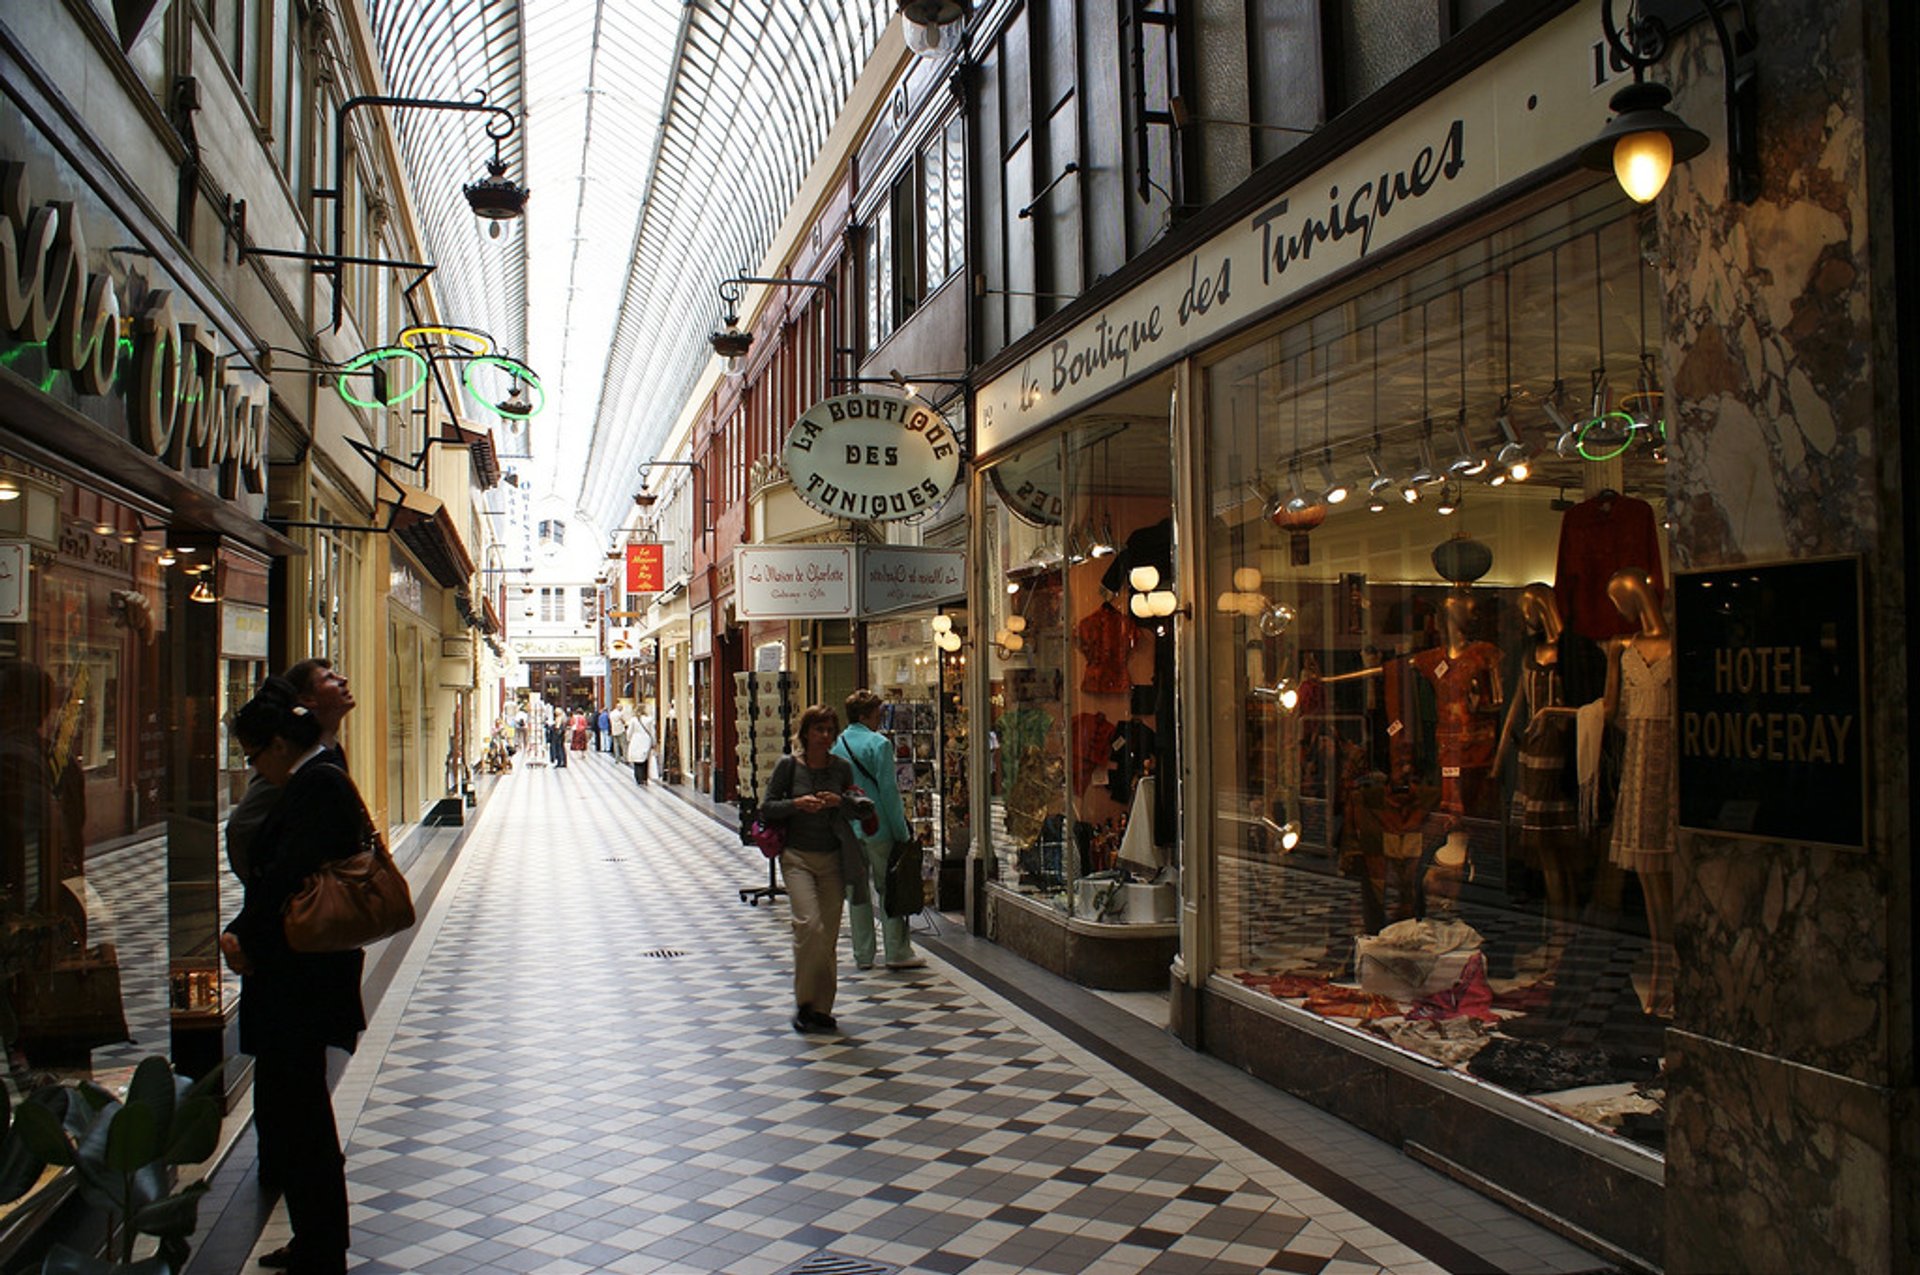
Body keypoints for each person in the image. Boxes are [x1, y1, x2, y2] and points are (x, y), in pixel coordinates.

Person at [219, 676, 368, 1275]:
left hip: (301, 984)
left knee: (303, 1118)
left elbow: (286, 876)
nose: (256, 767)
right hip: (297, 980)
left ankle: (322, 1245)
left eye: (255, 756)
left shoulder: (316, 784)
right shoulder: (314, 779)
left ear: (280, 744)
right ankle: (314, 1240)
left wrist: (243, 933)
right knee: (295, 1113)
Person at [756, 704, 873, 1034]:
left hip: (833, 859)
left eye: (829, 731)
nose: (824, 736)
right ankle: (804, 1002)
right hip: (797, 858)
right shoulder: (788, 766)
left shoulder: (841, 769)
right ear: (805, 732)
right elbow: (767, 808)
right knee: (810, 927)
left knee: (828, 937)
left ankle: (822, 1008)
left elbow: (857, 810)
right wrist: (796, 804)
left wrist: (840, 802)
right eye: (818, 730)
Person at [228, 658, 355, 882]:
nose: (343, 680)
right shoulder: (302, 769)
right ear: (307, 700)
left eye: (253, 758)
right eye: (329, 678)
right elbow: (242, 829)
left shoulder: (318, 766)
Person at [832, 690, 926, 971]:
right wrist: (902, 831)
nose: (879, 719)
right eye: (877, 714)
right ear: (865, 715)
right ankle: (896, 951)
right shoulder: (879, 744)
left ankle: (863, 954)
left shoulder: (837, 744)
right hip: (879, 827)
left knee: (857, 892)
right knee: (890, 889)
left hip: (850, 829)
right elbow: (889, 792)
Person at [626, 708, 656, 785]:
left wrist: (629, 739)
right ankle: (644, 777)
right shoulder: (649, 720)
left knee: (637, 760)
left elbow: (629, 732)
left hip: (636, 740)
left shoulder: (633, 720)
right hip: (646, 740)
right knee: (645, 759)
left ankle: (638, 778)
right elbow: (652, 732)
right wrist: (653, 742)